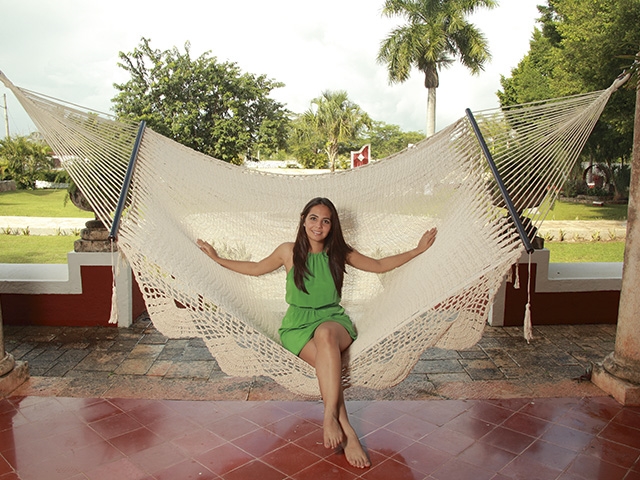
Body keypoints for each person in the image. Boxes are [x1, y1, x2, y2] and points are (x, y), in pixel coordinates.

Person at [196, 197, 437, 469]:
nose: (318, 226)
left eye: (325, 221)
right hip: (296, 327)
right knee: (328, 367)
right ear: (303, 220)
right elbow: (254, 269)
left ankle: (329, 417)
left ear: (332, 226)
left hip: (333, 321)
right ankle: (345, 428)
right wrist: (217, 259)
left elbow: (379, 265)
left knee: (325, 337)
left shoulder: (339, 252)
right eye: (313, 218)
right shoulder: (287, 251)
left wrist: (417, 251)